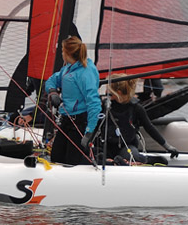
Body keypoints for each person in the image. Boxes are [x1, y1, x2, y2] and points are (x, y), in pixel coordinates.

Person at [42, 36, 102, 165]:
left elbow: (94, 103)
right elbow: (51, 80)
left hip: (80, 122)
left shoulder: (86, 73)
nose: (62, 53)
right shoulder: (68, 68)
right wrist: (52, 92)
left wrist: (90, 131)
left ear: (67, 53)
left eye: (62, 50)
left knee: (72, 161)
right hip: (66, 120)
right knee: (56, 157)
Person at [104, 76, 179, 165]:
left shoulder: (136, 108)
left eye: (108, 90)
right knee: (97, 155)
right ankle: (115, 161)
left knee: (131, 156)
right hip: (107, 146)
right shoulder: (105, 106)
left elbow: (149, 128)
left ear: (118, 93)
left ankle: (150, 160)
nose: (105, 92)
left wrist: (167, 147)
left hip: (127, 147)